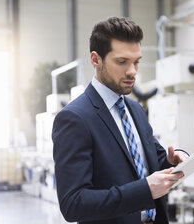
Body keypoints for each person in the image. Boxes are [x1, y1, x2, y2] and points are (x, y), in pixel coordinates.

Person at [52, 16, 187, 224]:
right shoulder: (74, 118)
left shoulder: (136, 110)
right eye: (122, 62)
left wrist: (172, 159)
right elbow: (73, 203)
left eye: (136, 62)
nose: (132, 71)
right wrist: (145, 190)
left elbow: (152, 160)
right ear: (96, 59)